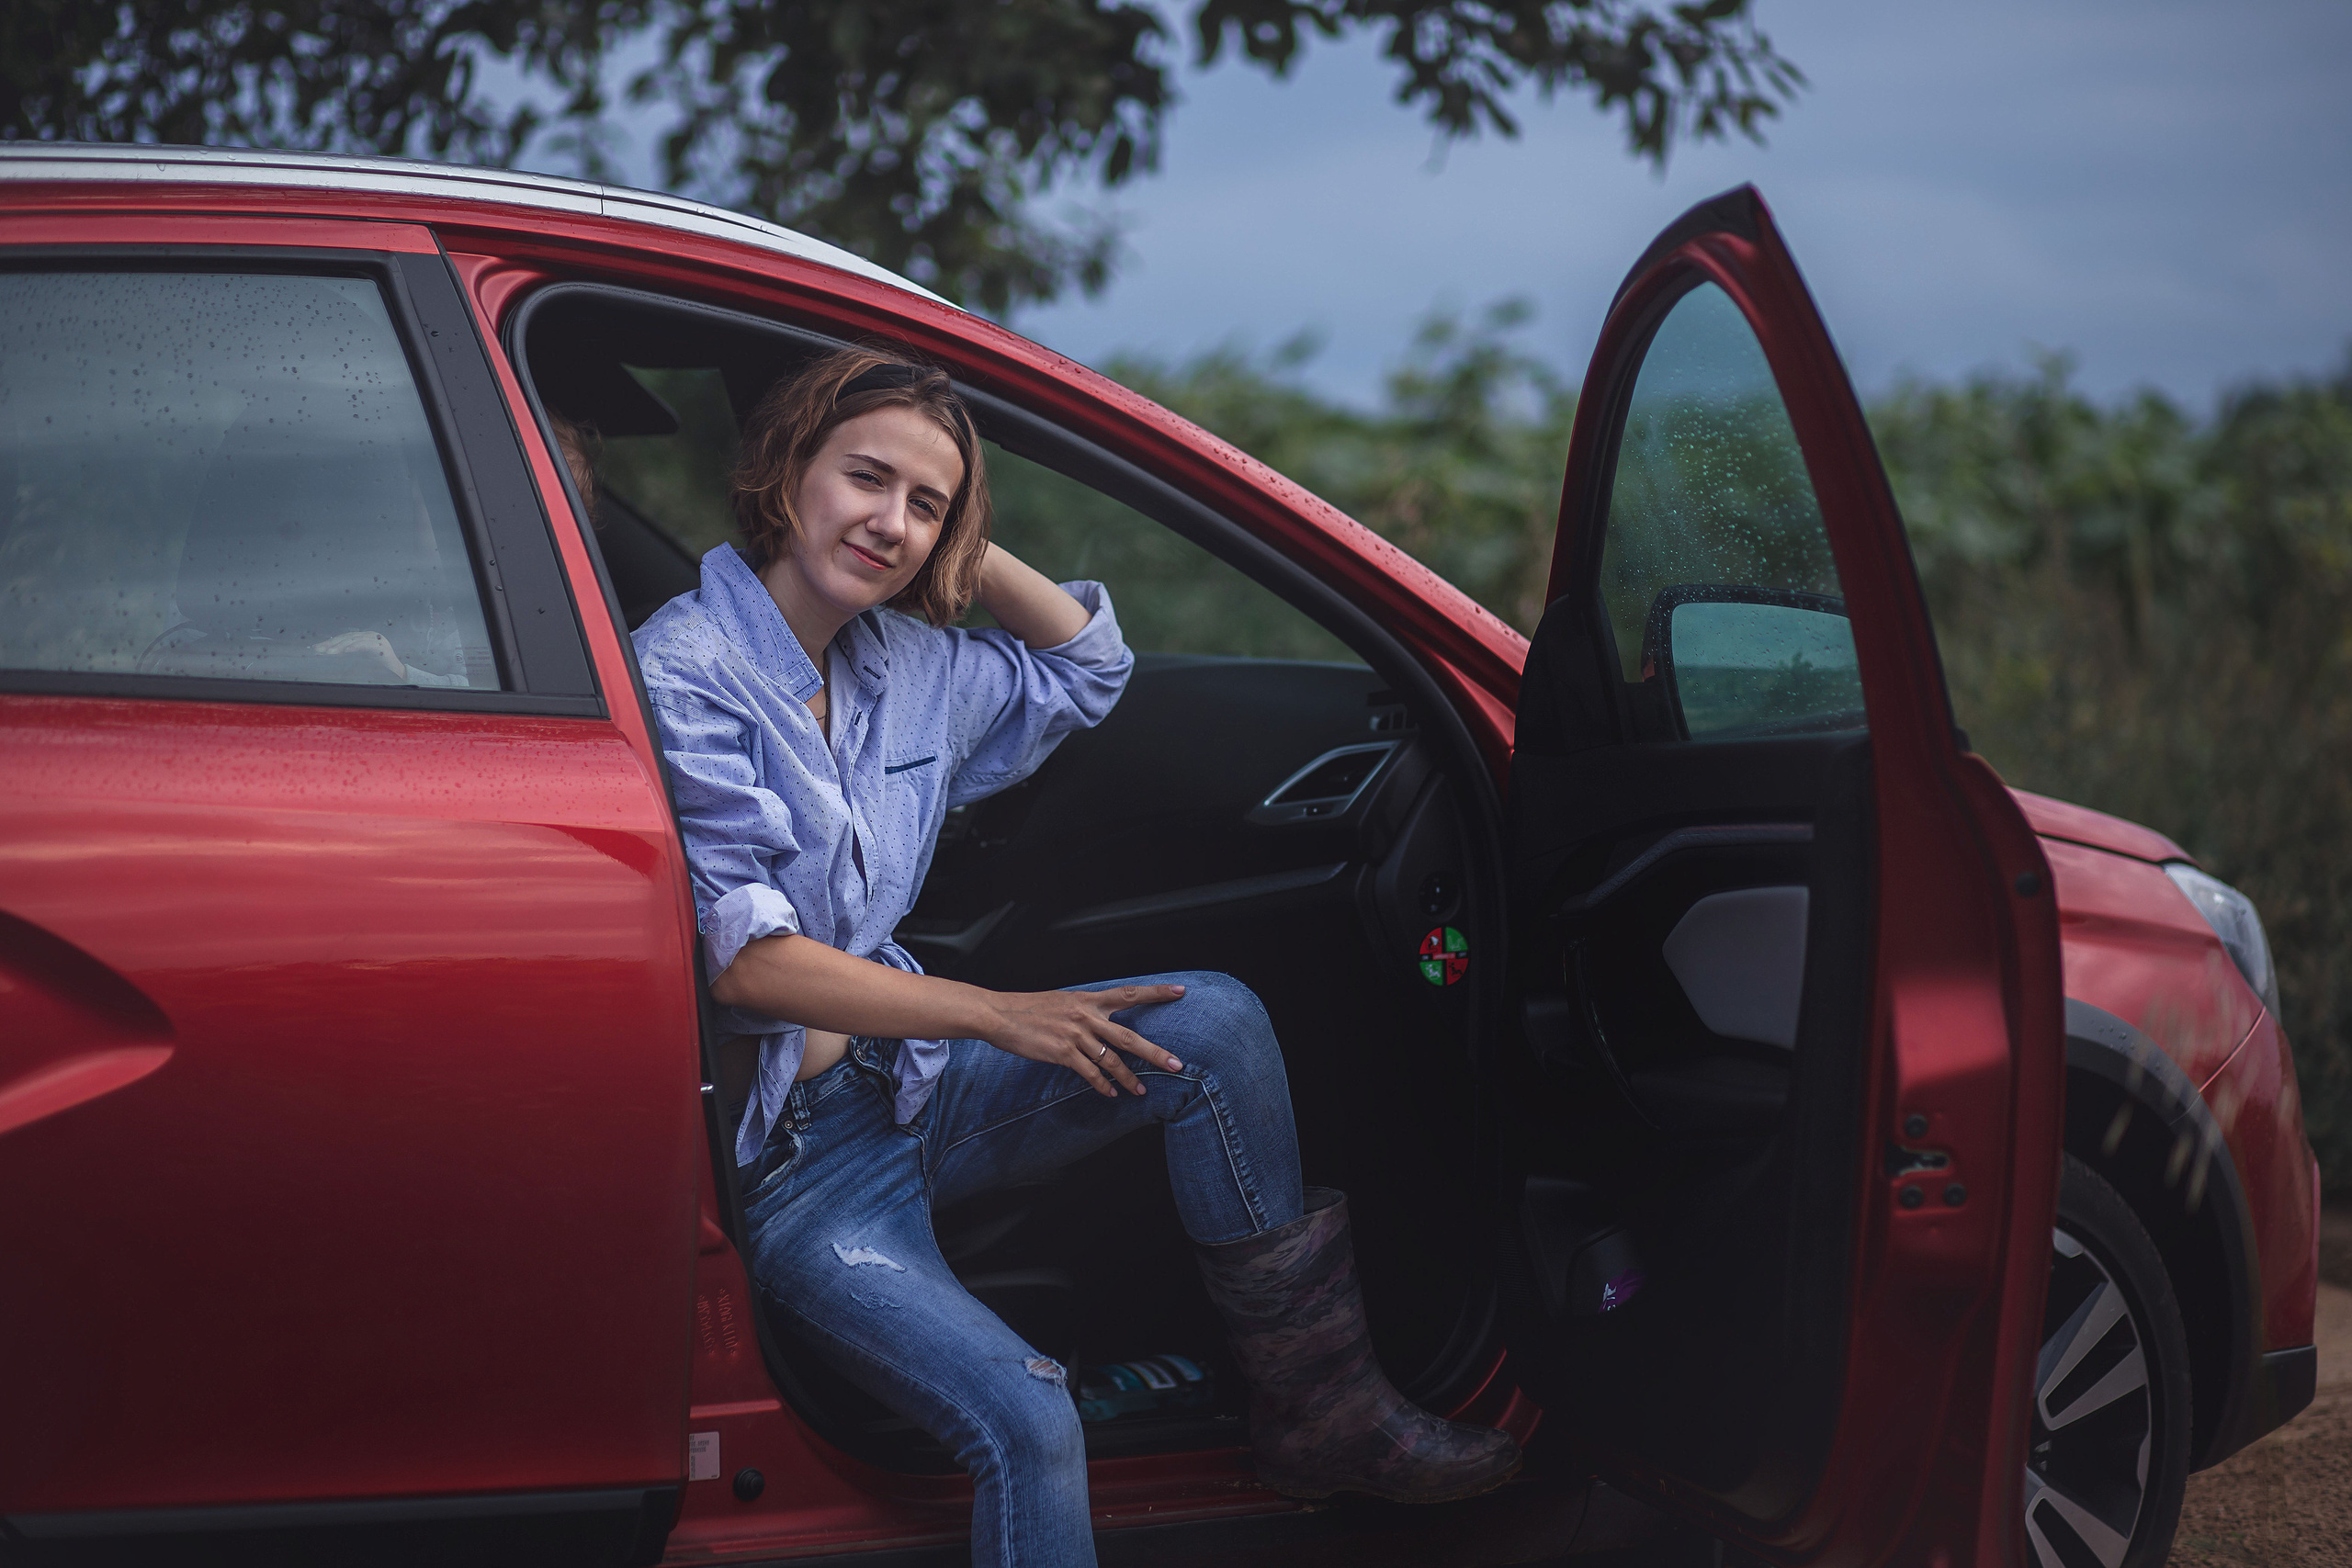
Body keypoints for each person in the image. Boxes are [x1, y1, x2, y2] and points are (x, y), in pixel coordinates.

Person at [631, 346, 1519, 1566]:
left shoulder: (907, 665)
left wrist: (961, 544)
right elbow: (748, 966)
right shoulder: (688, 669)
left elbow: (1092, 667)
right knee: (1029, 1417)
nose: (888, 523)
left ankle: (1325, 1410)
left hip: (912, 1095)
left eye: (926, 503)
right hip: (798, 1172)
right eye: (866, 479)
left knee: (1207, 1024)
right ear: (787, 474)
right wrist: (997, 1014)